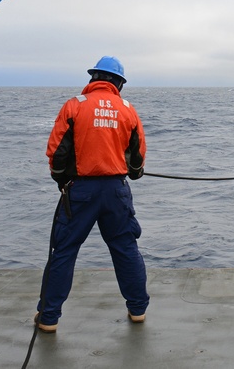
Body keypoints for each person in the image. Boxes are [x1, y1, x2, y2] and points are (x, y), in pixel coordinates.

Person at [34, 56, 149, 333]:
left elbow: (56, 152)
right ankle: (137, 310)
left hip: (80, 190)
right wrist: (133, 172)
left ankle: (49, 318)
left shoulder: (75, 105)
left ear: (93, 78)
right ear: (119, 83)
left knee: (64, 251)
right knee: (125, 248)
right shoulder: (127, 109)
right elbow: (138, 154)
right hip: (116, 191)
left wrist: (62, 180)